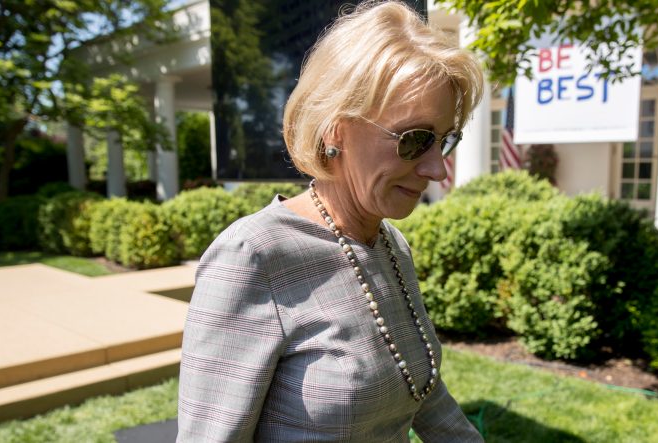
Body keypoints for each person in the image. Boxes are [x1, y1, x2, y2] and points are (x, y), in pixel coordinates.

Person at [177, 1, 484, 441]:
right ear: (336, 128)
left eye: (443, 140)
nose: (438, 170)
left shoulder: (390, 245)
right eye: (415, 139)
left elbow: (421, 389)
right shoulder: (254, 256)